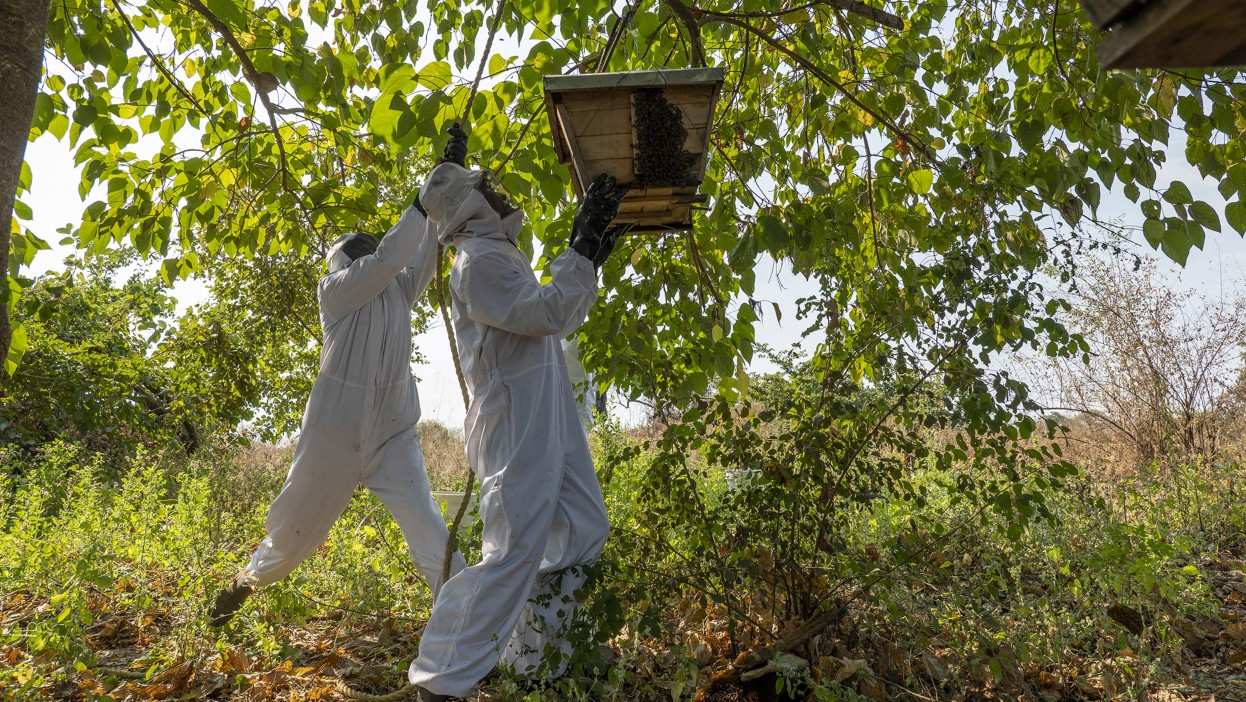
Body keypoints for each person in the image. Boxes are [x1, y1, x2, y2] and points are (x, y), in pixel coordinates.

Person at [207, 130, 472, 626]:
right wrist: (423, 197)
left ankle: (470, 625)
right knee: (294, 535)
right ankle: (245, 584)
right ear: (347, 262)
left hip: (393, 435)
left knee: (431, 532)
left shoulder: (398, 289)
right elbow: (394, 254)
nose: (369, 247)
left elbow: (423, 246)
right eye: (360, 248)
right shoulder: (335, 291)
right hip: (334, 436)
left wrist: (448, 175)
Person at [406, 147, 627, 701]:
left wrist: (589, 256)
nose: (499, 191)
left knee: (583, 525)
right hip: (514, 422)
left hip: (545, 412)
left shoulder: (498, 253)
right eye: (487, 187)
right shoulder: (477, 262)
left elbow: (551, 314)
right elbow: (548, 313)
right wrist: (581, 247)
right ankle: (439, 677)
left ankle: (535, 652)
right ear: (469, 206)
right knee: (511, 551)